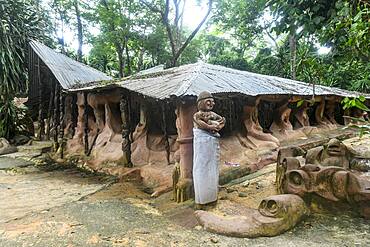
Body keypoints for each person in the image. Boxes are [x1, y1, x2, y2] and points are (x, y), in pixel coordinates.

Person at [193, 91, 225, 208]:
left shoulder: (213, 114)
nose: (211, 103)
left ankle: (212, 197)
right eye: (208, 101)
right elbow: (200, 123)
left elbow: (222, 120)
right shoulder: (197, 114)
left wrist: (219, 125)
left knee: (212, 169)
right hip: (202, 143)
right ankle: (202, 200)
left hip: (212, 143)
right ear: (201, 103)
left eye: (212, 101)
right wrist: (210, 126)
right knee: (202, 168)